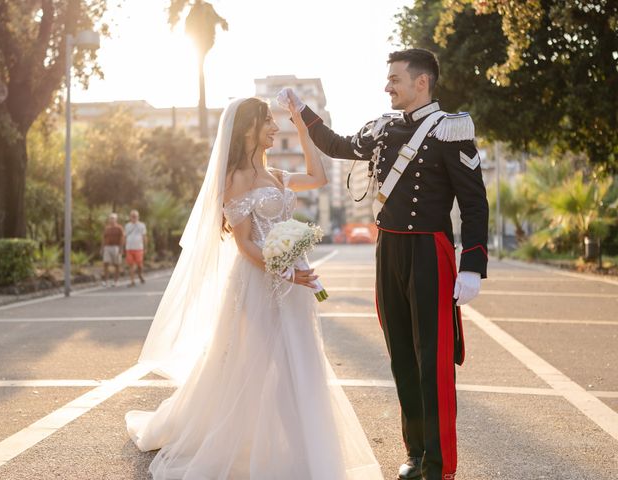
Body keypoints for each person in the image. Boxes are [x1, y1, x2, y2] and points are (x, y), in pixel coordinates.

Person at [125, 97, 383, 480]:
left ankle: (304, 450)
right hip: (257, 286)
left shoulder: (277, 175)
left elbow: (319, 177)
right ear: (248, 128)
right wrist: (285, 271)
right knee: (254, 365)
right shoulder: (234, 179)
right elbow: (245, 245)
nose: (275, 128)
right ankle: (244, 442)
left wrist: (302, 125)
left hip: (293, 283)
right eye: (269, 122)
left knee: (301, 363)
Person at [279, 48, 489, 480]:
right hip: (388, 248)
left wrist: (471, 265)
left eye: (394, 78)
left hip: (430, 251)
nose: (387, 86)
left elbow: (474, 203)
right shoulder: (384, 127)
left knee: (432, 359)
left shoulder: (451, 130)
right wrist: (303, 112)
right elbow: (337, 146)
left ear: (421, 82)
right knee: (401, 358)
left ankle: (439, 465)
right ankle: (415, 455)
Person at [124, 209, 147, 287]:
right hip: (129, 248)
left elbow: (144, 236)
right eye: (132, 216)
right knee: (131, 265)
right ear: (130, 217)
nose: (134, 217)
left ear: (138, 216)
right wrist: (124, 246)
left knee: (139, 265)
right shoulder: (127, 226)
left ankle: (140, 275)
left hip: (139, 248)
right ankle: (132, 281)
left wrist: (145, 247)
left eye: (135, 216)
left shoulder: (142, 225)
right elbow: (125, 236)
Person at [101, 213, 124, 287]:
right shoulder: (107, 228)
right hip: (107, 247)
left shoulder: (119, 228)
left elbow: (122, 238)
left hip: (116, 247)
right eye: (111, 218)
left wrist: (121, 248)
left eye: (113, 218)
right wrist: (102, 248)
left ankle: (116, 281)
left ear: (116, 219)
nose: (112, 220)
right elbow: (104, 238)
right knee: (106, 263)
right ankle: (106, 281)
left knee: (116, 264)